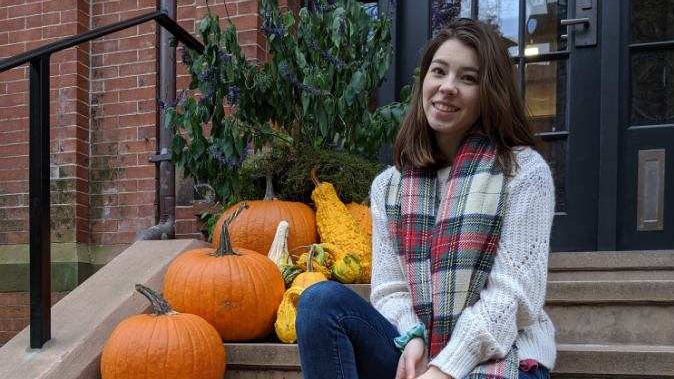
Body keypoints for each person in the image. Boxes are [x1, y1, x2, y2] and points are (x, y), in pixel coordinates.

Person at [295, 17, 556, 379]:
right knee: (320, 302)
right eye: (439, 71)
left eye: (468, 78)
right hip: (418, 352)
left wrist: (444, 370)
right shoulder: (389, 186)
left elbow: (513, 300)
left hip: (502, 355)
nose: (447, 87)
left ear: (490, 92)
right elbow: (389, 292)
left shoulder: (523, 171)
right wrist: (412, 337)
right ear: (424, 82)